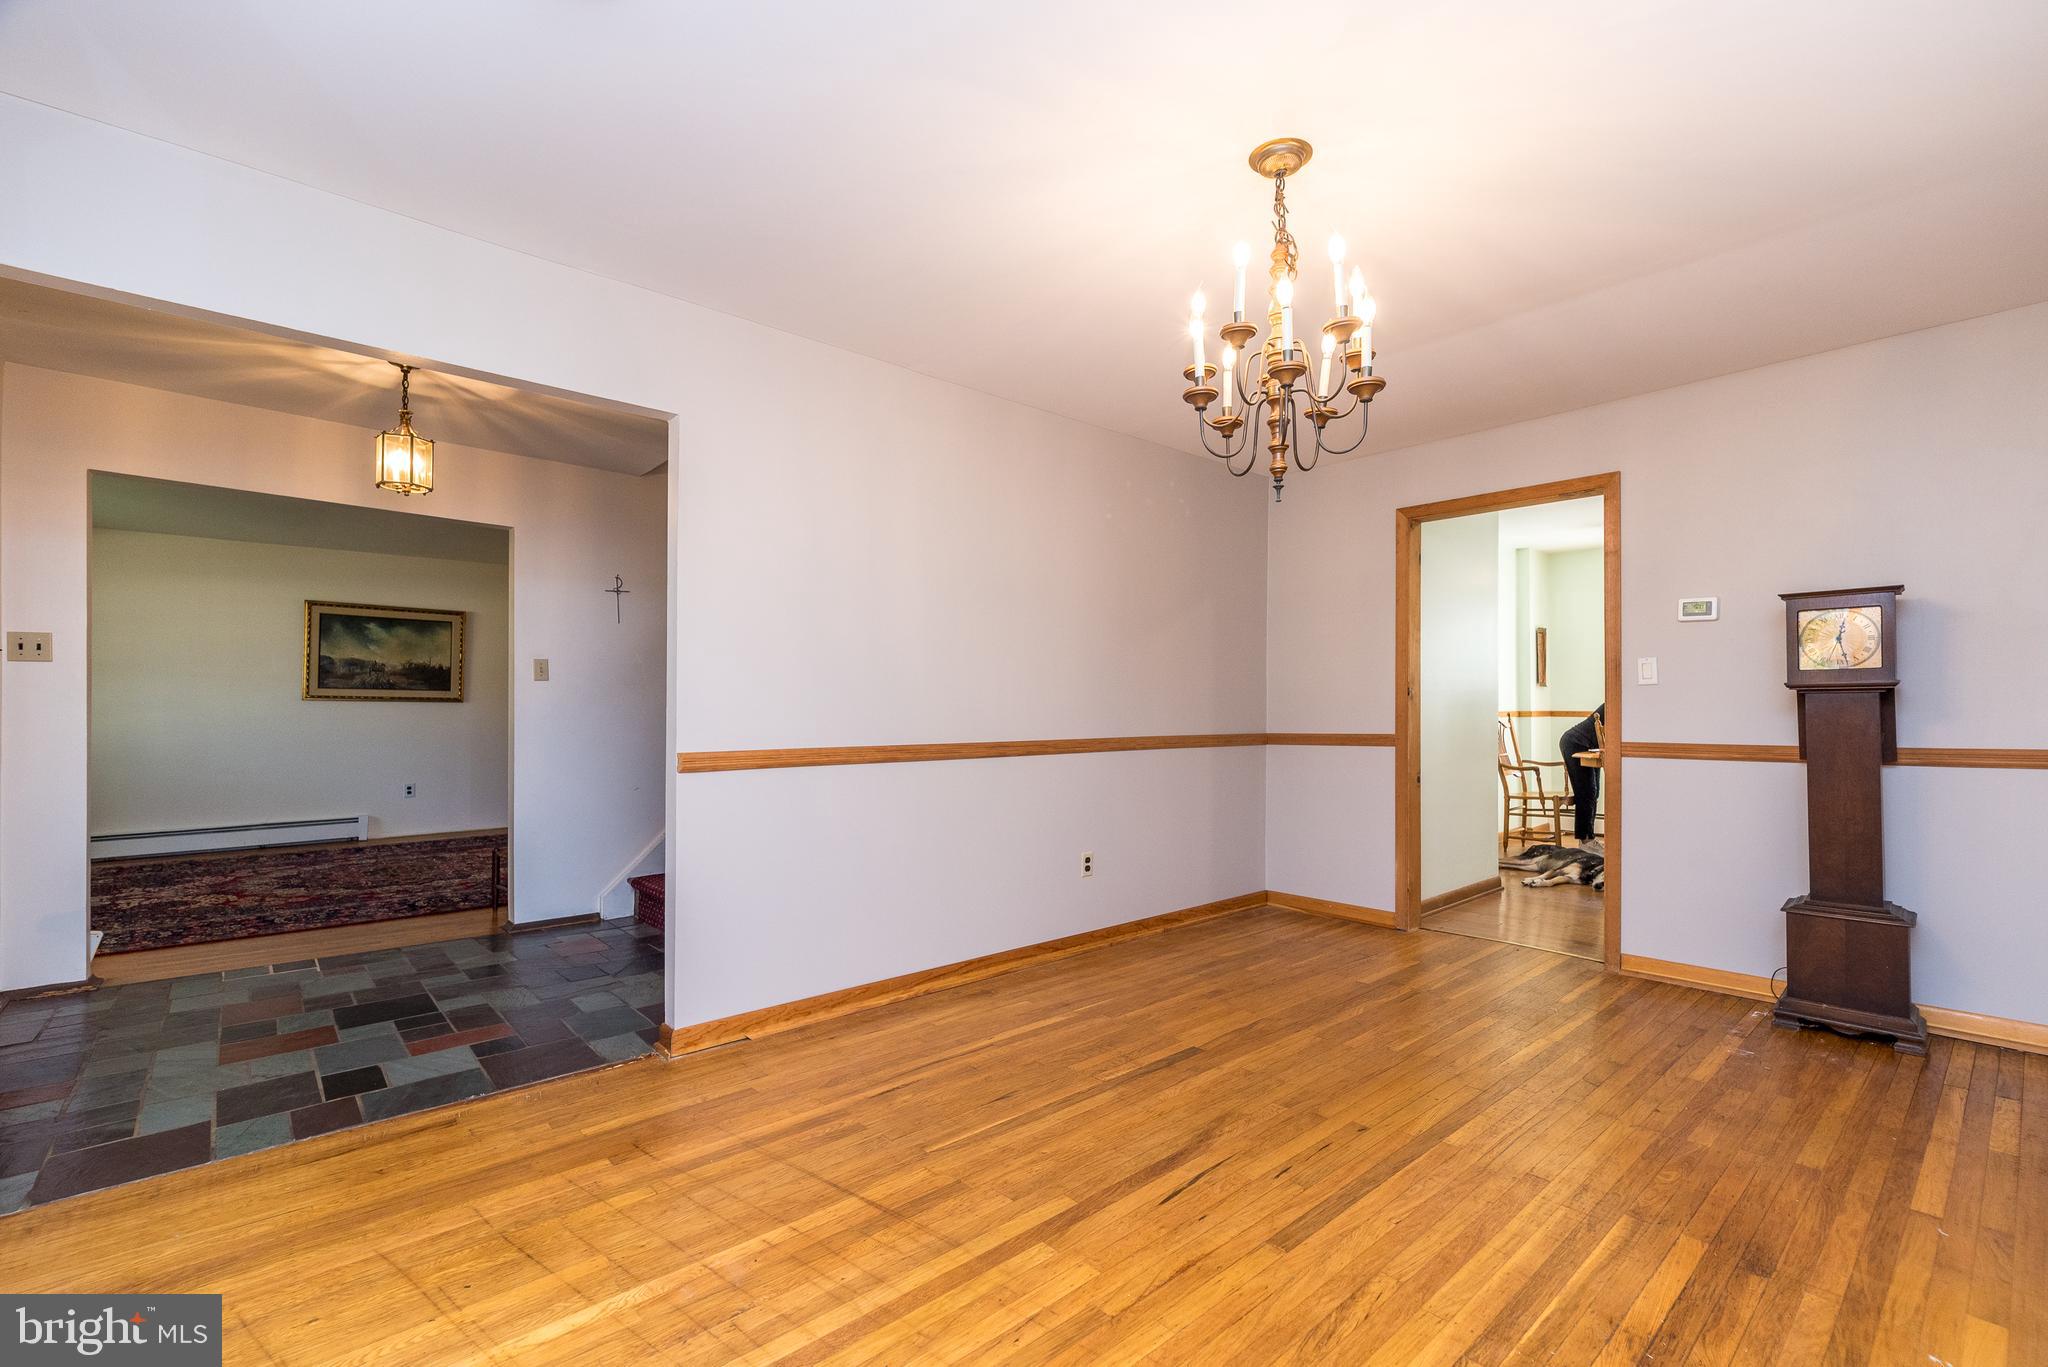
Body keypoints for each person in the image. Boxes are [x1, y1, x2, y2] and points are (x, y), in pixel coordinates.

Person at [1558, 704, 1604, 852]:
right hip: (1574, 743)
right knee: (1586, 792)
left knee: (1594, 793)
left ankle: (1589, 839)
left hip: (1588, 747)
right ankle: (1585, 841)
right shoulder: (1613, 702)